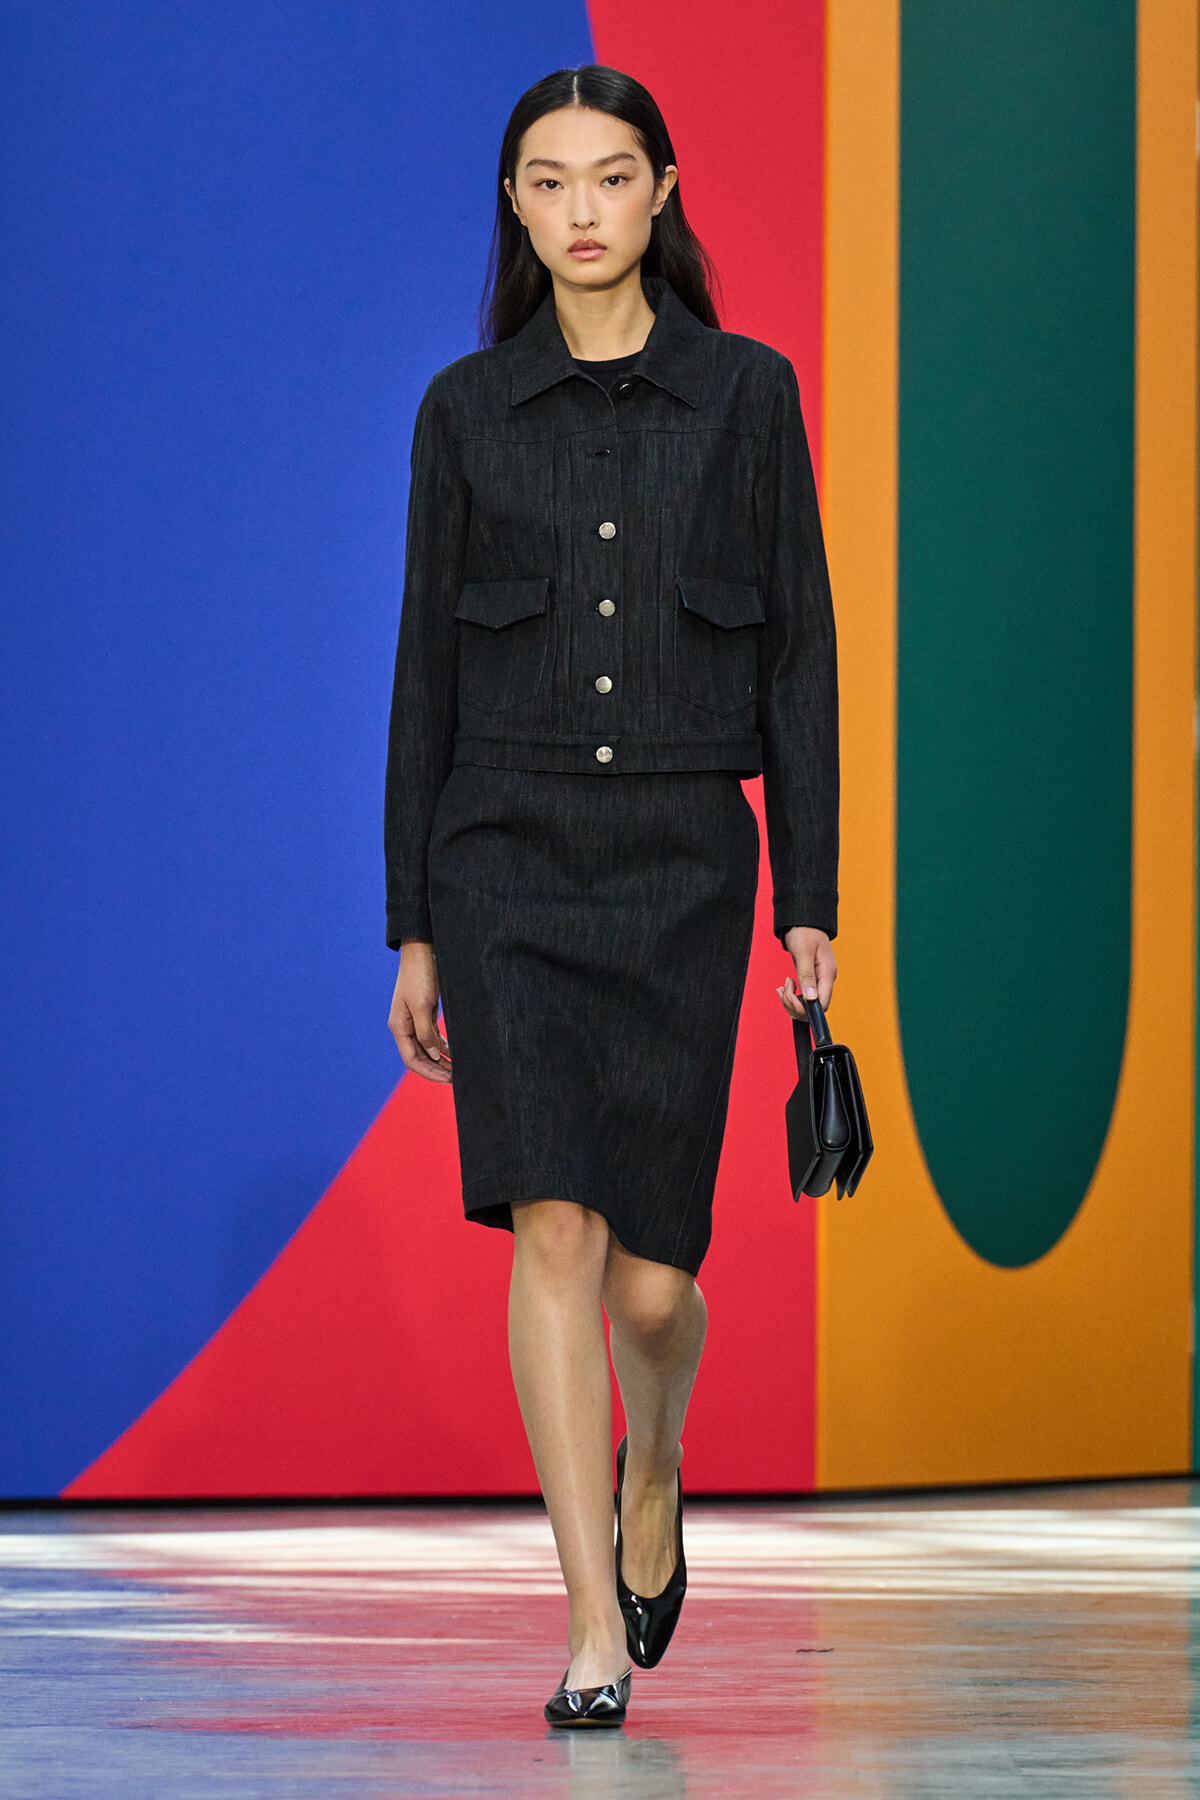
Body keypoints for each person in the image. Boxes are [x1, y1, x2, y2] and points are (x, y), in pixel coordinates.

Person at [384, 64, 838, 1728]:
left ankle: (661, 1468)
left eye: (610, 175)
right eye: (548, 180)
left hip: (680, 866)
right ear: (516, 206)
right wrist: (414, 924)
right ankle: (587, 1622)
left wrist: (815, 891)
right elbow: (420, 673)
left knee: (652, 1279)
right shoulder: (461, 411)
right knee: (551, 1227)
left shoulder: (747, 397)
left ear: (663, 191)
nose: (581, 208)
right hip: (497, 856)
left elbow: (804, 657)